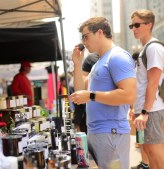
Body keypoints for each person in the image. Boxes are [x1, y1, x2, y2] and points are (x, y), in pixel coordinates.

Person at [69, 17, 136, 169]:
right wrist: (77, 64)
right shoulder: (99, 62)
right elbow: (81, 93)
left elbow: (129, 95)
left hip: (111, 132)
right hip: (99, 132)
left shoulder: (117, 56)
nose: (83, 42)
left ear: (99, 32)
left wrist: (91, 95)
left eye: (86, 36)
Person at [130, 9, 164, 169]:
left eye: (137, 24)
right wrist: (135, 108)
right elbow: (141, 83)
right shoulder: (145, 49)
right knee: (148, 151)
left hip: (151, 110)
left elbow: (153, 83)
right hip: (144, 111)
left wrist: (144, 113)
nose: (134, 28)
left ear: (149, 24)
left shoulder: (153, 48)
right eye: (132, 25)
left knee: (155, 152)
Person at [73, 53, 98, 133]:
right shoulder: (91, 59)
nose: (84, 42)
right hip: (88, 115)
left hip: (93, 117)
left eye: (86, 39)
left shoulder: (115, 57)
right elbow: (80, 90)